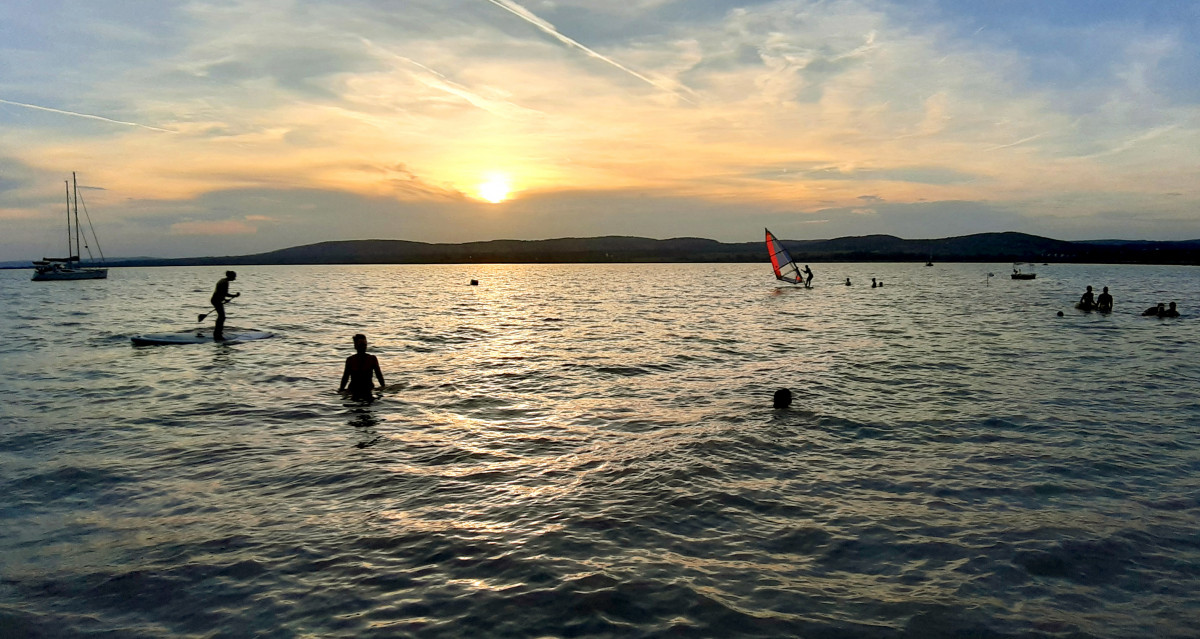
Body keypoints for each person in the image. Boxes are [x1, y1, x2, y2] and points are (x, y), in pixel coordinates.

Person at [340, 333, 386, 400]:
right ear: (355, 346)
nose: (363, 347)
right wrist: (341, 390)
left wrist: (383, 387)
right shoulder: (350, 360)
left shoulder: (372, 359)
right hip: (354, 389)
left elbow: (379, 375)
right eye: (361, 345)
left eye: (365, 345)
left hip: (368, 388)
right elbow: (345, 377)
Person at [210, 271, 239, 340]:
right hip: (216, 300)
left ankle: (218, 333)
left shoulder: (222, 281)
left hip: (216, 300)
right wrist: (233, 296)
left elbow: (222, 293)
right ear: (230, 276)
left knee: (221, 316)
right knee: (222, 317)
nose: (235, 278)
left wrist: (225, 299)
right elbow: (222, 293)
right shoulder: (224, 282)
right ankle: (217, 334)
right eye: (234, 277)